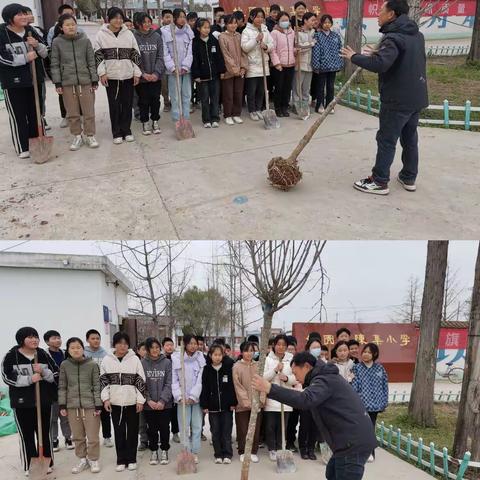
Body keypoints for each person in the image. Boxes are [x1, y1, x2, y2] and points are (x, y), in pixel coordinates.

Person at [341, 0, 428, 195]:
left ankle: (379, 180)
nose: (378, 15)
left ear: (391, 14)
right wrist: (379, 53)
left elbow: (381, 65)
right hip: (416, 97)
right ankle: (408, 177)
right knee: (410, 139)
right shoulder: (417, 35)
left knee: (386, 139)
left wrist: (354, 57)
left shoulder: (393, 37)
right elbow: (402, 59)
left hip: (397, 99)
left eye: (381, 11)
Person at [252, 352, 377, 480]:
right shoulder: (324, 377)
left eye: (295, 373)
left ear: (306, 366)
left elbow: (305, 400)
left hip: (352, 443)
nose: (296, 378)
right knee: (331, 474)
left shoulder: (325, 379)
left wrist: (269, 388)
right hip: (347, 441)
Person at [1, 327, 58, 475]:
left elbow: (56, 374)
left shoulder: (43, 354)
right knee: (26, 435)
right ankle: (29, 465)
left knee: (45, 434)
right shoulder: (11, 356)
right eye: (30, 337)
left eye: (36, 337)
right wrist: (29, 379)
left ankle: (47, 462)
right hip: (22, 403)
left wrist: (44, 372)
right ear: (21, 340)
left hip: (44, 401)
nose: (34, 340)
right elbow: (6, 377)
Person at [0, 3, 48, 159]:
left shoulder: (31, 30)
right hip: (13, 82)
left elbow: (45, 51)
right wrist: (24, 58)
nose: (24, 17)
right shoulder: (1, 33)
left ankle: (38, 141)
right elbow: (2, 58)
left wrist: (37, 45)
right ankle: (23, 146)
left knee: (36, 113)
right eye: (19, 14)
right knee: (19, 115)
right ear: (9, 18)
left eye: (24, 14)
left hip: (34, 80)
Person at [51, 13, 99, 151]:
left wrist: (94, 79)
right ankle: (77, 136)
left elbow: (91, 61)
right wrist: (57, 83)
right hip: (67, 83)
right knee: (72, 112)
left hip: (85, 81)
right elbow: (54, 63)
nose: (71, 27)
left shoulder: (85, 40)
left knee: (89, 111)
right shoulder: (57, 42)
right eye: (67, 25)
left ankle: (90, 135)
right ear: (61, 27)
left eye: (73, 24)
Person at [94, 7, 141, 144]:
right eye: (115, 17)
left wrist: (136, 73)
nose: (118, 20)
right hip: (111, 76)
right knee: (114, 105)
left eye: (121, 18)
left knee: (127, 104)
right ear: (109, 18)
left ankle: (127, 130)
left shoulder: (129, 34)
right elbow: (98, 56)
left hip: (127, 75)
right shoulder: (101, 35)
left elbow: (136, 54)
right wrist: (102, 73)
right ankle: (116, 132)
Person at [100, 332, 146, 472]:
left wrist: (140, 400)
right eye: (119, 343)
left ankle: (132, 459)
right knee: (119, 432)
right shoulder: (107, 360)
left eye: (125, 343)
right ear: (114, 344)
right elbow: (103, 382)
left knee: (132, 432)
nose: (122, 346)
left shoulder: (135, 360)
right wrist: (106, 399)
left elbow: (141, 381)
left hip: (132, 403)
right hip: (115, 403)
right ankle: (121, 460)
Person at [58, 337, 102, 474]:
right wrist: (62, 405)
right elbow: (62, 386)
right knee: (77, 436)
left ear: (83, 348)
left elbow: (96, 386)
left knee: (93, 436)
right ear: (68, 350)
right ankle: (83, 459)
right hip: (72, 406)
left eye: (78, 347)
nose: (76, 350)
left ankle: (94, 459)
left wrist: (98, 405)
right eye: (72, 348)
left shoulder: (92, 365)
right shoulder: (65, 365)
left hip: (90, 405)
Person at [171, 334, 206, 464]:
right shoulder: (176, 358)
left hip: (195, 400)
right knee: (184, 427)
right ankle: (186, 451)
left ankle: (194, 452)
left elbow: (200, 379)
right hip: (182, 400)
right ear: (185, 344)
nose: (193, 346)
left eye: (195, 343)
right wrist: (179, 397)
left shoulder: (200, 358)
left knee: (196, 426)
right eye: (190, 343)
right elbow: (174, 380)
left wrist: (193, 396)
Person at [352, 343, 389, 462]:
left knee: (371, 427)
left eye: (369, 352)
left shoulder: (380, 368)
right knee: (361, 427)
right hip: (362, 404)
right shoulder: (357, 368)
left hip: (376, 404)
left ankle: (370, 452)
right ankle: (361, 451)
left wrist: (384, 401)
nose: (366, 354)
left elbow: (385, 385)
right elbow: (354, 386)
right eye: (364, 352)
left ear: (375, 354)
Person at [200, 344, 237, 464]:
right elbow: (204, 388)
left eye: (219, 355)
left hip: (227, 406)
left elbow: (231, 387)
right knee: (215, 431)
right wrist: (204, 405)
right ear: (210, 355)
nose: (217, 357)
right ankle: (218, 454)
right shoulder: (206, 369)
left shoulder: (227, 368)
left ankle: (227, 454)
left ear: (223, 355)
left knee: (226, 431)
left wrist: (233, 402)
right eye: (215, 355)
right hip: (212, 407)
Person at [263, 334, 295, 461]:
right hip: (272, 397)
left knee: (283, 426)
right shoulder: (267, 359)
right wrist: (275, 371)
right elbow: (264, 378)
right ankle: (272, 449)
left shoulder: (291, 359)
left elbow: (295, 378)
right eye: (278, 344)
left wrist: (286, 378)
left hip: (286, 398)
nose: (281, 347)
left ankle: (281, 447)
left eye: (284, 345)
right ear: (273, 346)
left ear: (287, 347)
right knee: (271, 425)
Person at [47, 3, 79, 129]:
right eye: (66, 13)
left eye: (71, 14)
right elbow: (51, 49)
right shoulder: (52, 30)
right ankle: (66, 116)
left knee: (79, 93)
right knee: (64, 94)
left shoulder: (78, 29)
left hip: (77, 66)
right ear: (60, 15)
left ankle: (78, 115)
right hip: (63, 68)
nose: (69, 16)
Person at [142, 337, 173, 466]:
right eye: (152, 347)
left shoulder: (166, 363)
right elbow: (141, 383)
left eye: (157, 347)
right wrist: (148, 400)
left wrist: (162, 401)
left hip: (165, 405)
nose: (155, 350)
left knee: (165, 429)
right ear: (148, 349)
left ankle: (165, 450)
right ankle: (154, 450)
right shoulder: (142, 363)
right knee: (152, 430)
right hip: (149, 405)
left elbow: (169, 383)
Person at [191, 18, 226, 128]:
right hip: (202, 77)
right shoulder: (195, 42)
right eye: (204, 27)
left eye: (208, 27)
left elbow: (219, 57)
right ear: (198, 29)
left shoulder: (213, 40)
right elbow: (194, 60)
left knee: (215, 98)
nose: (207, 30)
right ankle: (206, 119)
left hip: (215, 75)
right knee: (205, 99)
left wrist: (221, 71)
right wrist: (196, 75)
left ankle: (215, 118)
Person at [133, 12, 164, 136]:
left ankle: (155, 121)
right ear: (138, 24)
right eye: (144, 22)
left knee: (155, 100)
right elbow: (134, 57)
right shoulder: (134, 37)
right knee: (143, 101)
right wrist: (143, 74)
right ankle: (145, 122)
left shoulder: (157, 37)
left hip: (156, 77)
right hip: (142, 78)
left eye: (149, 22)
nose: (147, 24)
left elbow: (160, 56)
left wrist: (156, 73)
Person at [161, 8, 194, 124]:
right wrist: (172, 67)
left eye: (184, 17)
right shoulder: (165, 31)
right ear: (174, 18)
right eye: (180, 17)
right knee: (175, 96)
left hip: (186, 70)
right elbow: (165, 52)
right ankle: (177, 120)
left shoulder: (188, 30)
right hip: (173, 71)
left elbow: (190, 51)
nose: (182, 19)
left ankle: (186, 119)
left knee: (186, 95)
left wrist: (185, 66)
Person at [241, 8, 274, 122]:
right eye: (257, 16)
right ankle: (252, 110)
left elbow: (272, 44)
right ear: (251, 17)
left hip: (264, 64)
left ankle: (259, 109)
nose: (260, 19)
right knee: (252, 90)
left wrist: (266, 47)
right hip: (252, 65)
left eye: (261, 17)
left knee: (262, 90)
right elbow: (244, 47)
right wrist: (256, 40)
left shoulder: (265, 29)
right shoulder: (247, 31)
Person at [232, 341, 263, 463]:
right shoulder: (237, 367)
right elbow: (237, 386)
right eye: (246, 350)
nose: (249, 353)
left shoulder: (259, 365)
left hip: (257, 404)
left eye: (252, 351)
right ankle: (243, 451)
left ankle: (253, 451)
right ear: (242, 352)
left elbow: (263, 382)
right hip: (242, 405)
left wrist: (260, 400)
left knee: (255, 429)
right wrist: (246, 402)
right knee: (243, 429)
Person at [43, 330, 73, 452]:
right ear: (47, 341)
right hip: (51, 391)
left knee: (66, 417)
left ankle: (68, 438)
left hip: (66, 390)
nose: (57, 340)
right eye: (54, 338)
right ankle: (54, 439)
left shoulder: (65, 353)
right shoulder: (43, 355)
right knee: (53, 418)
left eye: (59, 338)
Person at [84, 329, 113, 448]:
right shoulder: (84, 354)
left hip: (103, 387)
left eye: (98, 338)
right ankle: (92, 438)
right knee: (91, 415)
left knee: (106, 413)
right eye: (93, 338)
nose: (96, 341)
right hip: (89, 389)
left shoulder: (105, 354)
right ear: (87, 340)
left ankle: (107, 437)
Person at [312, 14, 343, 114]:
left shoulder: (336, 36)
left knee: (330, 86)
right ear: (321, 23)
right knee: (320, 86)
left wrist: (340, 63)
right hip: (322, 66)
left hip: (333, 66)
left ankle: (330, 106)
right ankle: (319, 105)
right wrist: (316, 65)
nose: (327, 24)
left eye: (329, 23)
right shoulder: (318, 35)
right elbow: (316, 51)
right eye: (325, 22)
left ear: (331, 24)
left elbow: (340, 50)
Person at [270, 11, 295, 117]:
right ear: (278, 21)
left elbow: (291, 46)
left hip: (291, 63)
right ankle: (278, 108)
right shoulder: (274, 33)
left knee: (287, 87)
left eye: (287, 20)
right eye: (283, 20)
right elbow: (273, 50)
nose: (285, 22)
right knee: (279, 87)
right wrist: (276, 63)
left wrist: (295, 50)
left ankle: (285, 106)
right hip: (280, 65)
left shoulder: (292, 32)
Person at [292, 12, 316, 114]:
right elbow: (298, 47)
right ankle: (296, 106)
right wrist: (311, 44)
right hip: (300, 64)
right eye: (312, 20)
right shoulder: (298, 33)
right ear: (305, 20)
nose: (314, 22)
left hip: (310, 65)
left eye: (315, 20)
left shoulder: (314, 32)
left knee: (306, 88)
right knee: (297, 88)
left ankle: (305, 107)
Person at [162, 336, 180, 443]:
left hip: (175, 389)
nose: (169, 347)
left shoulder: (177, 358)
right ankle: (164, 435)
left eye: (171, 345)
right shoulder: (161, 358)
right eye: (167, 345)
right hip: (165, 389)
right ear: (163, 347)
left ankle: (175, 433)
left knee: (175, 413)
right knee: (165, 415)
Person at [160, 9, 173, 112]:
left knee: (173, 84)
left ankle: (174, 102)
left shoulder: (176, 30)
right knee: (164, 86)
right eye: (167, 17)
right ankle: (166, 102)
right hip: (162, 63)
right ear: (162, 19)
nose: (169, 19)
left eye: (171, 17)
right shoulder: (158, 32)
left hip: (173, 62)